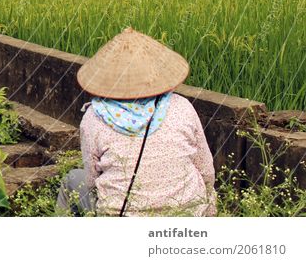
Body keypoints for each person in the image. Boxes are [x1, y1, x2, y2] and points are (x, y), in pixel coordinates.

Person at [56, 27, 217, 217]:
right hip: (187, 213)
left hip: (121, 215)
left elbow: (92, 181)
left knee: (72, 180)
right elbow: (206, 171)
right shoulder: (182, 106)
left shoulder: (94, 117)